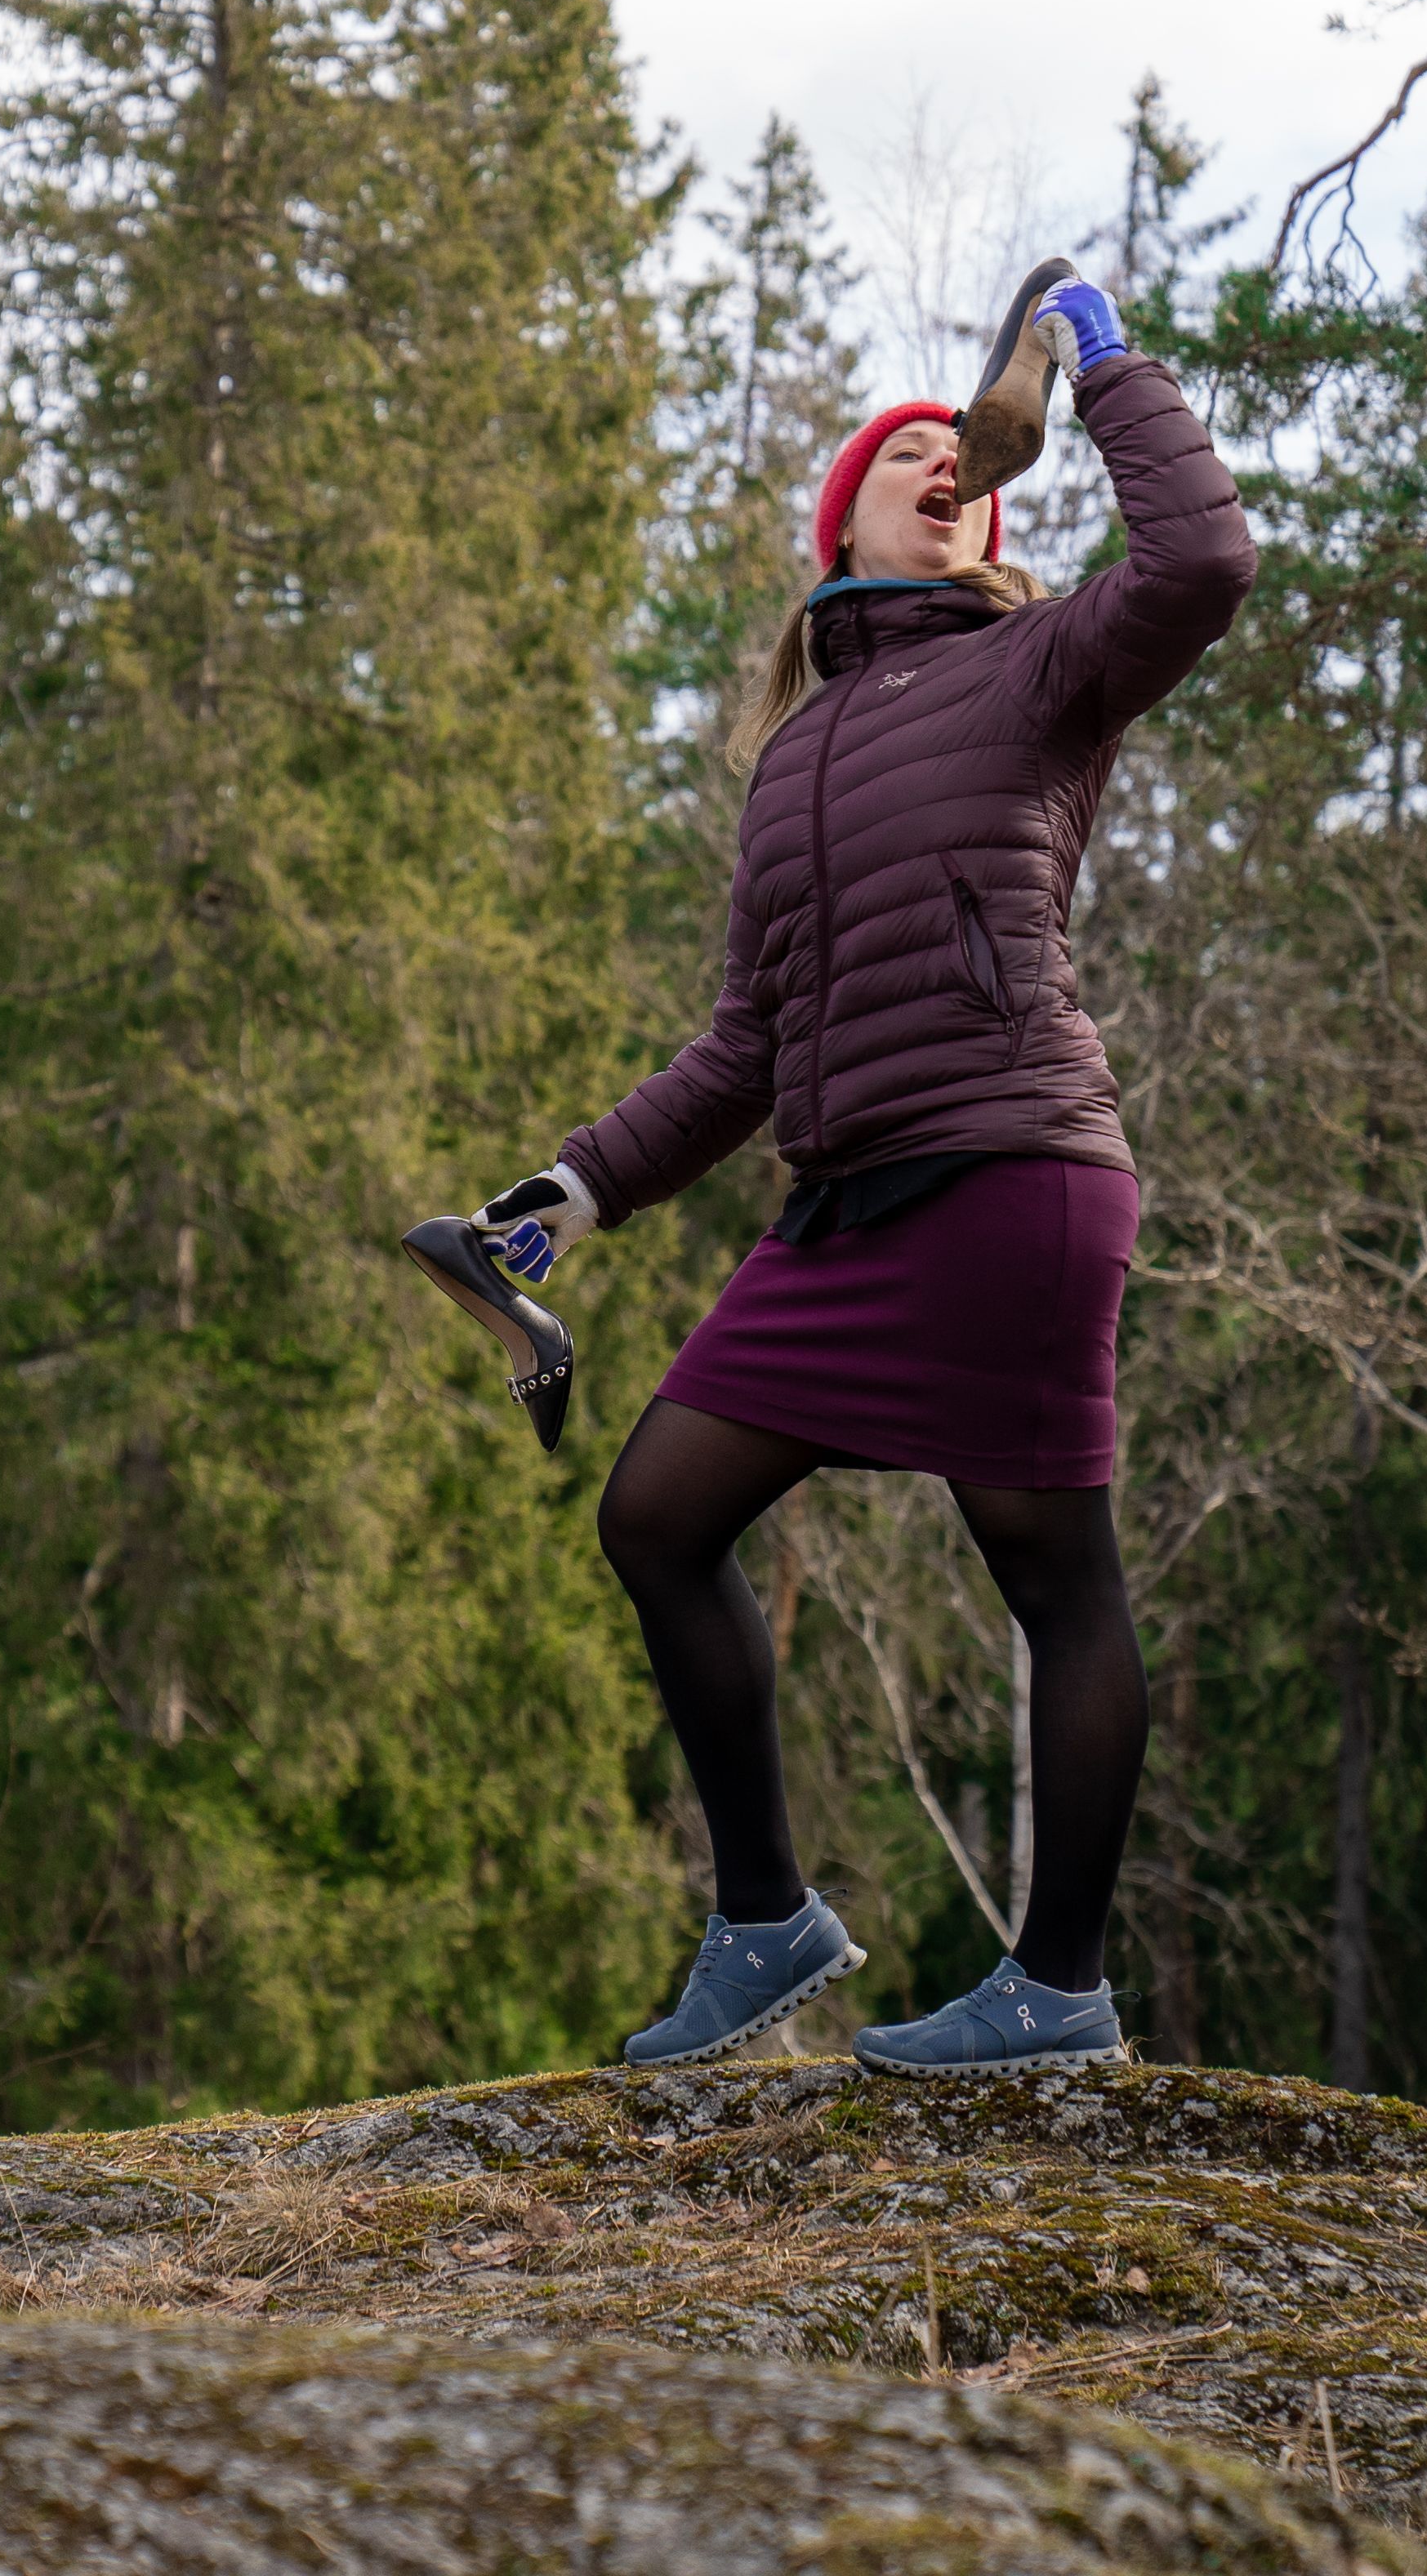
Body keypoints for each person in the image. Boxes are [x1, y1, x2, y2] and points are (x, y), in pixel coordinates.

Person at [468, 257, 1254, 2075]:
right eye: (901, 453)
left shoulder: (1044, 661)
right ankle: (766, 1923)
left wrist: (1097, 352)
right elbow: (743, 1049)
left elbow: (1205, 562)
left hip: (1007, 1169)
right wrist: (567, 1196)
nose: (939, 463)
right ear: (844, 520)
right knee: (656, 1516)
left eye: (958, 452)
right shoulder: (792, 755)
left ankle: (1055, 1992)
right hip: (838, 1207)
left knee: (1055, 1578)